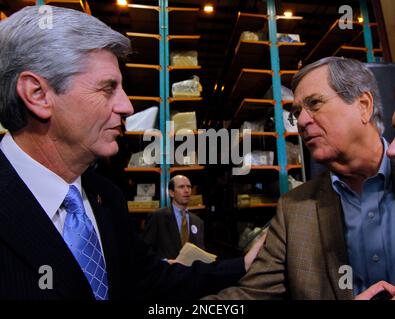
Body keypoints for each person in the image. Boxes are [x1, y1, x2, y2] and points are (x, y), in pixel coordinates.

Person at [0, 5, 263, 300]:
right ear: (38, 95)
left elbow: (149, 280)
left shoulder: (107, 198)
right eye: (107, 88)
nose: (127, 106)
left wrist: (242, 265)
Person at [204, 56, 395, 300]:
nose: (302, 122)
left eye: (315, 103)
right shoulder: (294, 210)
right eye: (297, 113)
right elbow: (249, 295)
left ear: (363, 105)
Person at [143, 175, 205, 260]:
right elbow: (145, 251)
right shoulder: (157, 217)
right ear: (171, 193)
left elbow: (201, 252)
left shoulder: (198, 222)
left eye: (189, 187)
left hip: (191, 272)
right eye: (181, 187)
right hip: (166, 271)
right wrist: (165, 262)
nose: (186, 190)